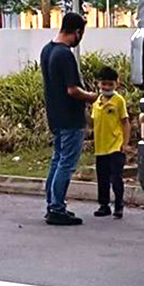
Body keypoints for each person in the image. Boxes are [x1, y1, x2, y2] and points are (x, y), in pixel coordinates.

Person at [40, 12, 96, 226]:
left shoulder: (47, 50)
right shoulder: (65, 55)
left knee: (57, 160)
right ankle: (57, 208)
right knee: (66, 163)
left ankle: (52, 204)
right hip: (70, 118)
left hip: (54, 115)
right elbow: (73, 90)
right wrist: (94, 98)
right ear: (77, 32)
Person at [90, 65, 130, 219]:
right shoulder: (97, 102)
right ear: (99, 83)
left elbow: (125, 122)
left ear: (116, 84)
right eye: (103, 84)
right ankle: (103, 205)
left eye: (110, 84)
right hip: (101, 146)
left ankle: (119, 205)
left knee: (116, 178)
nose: (106, 87)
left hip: (115, 146)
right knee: (102, 178)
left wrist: (125, 144)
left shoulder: (118, 101)